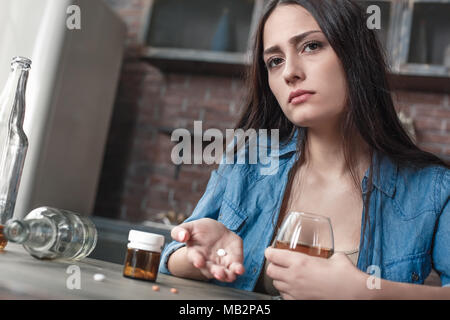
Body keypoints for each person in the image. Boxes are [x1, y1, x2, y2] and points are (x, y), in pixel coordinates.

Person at [158, 0, 450, 299]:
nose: (289, 73)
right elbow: (173, 257)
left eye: (311, 46)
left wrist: (368, 293)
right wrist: (201, 257)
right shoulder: (248, 159)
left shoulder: (432, 188)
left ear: (356, 54)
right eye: (275, 61)